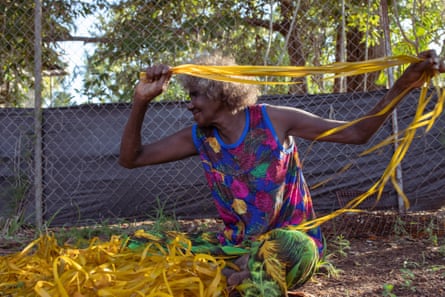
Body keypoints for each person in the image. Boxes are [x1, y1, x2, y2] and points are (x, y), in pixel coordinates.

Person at [119, 50, 444, 296]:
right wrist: (140, 101)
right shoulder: (199, 136)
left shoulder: (274, 120)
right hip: (235, 247)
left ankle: (251, 277)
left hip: (292, 245)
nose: (189, 104)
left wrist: (404, 83)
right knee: (139, 247)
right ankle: (246, 276)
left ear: (218, 90)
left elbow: (356, 133)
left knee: (275, 249)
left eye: (195, 94)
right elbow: (131, 158)